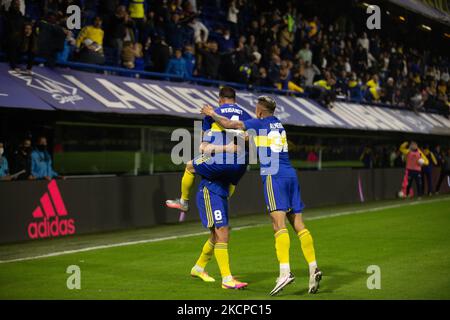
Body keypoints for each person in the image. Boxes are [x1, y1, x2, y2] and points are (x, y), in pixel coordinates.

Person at [201, 95, 322, 295]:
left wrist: (211, 113)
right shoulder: (278, 125)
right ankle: (313, 267)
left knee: (278, 224)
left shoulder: (259, 122)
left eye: (256, 109)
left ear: (260, 111)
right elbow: (250, 138)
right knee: (299, 225)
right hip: (290, 174)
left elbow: (231, 124)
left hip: (274, 176)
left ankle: (285, 273)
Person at [166, 86, 252, 212]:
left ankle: (183, 201)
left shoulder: (212, 115)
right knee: (231, 181)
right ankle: (223, 202)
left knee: (190, 166)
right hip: (240, 164)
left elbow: (203, 147)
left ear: (220, 99)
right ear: (234, 99)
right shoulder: (248, 116)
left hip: (218, 158)